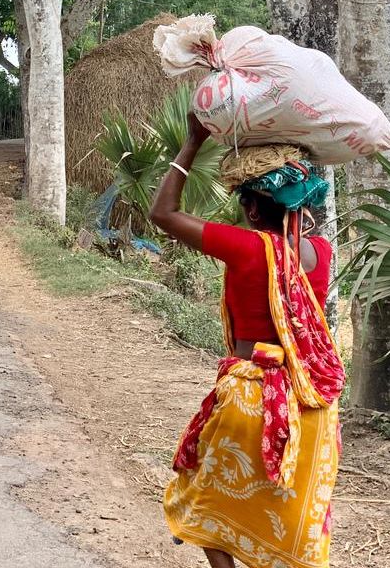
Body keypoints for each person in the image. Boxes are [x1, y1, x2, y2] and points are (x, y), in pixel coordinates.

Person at [148, 117, 345, 568]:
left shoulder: (245, 246)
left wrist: (193, 141)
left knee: (205, 501)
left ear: (254, 209)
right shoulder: (322, 253)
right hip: (307, 406)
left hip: (250, 401)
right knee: (284, 515)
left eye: (243, 204)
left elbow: (162, 213)